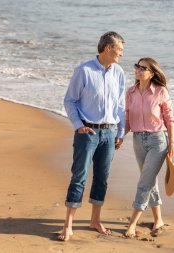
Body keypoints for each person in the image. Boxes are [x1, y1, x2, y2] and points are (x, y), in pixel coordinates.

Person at [58, 31, 125, 241]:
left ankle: (95, 220)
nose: (121, 54)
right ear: (108, 48)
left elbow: (120, 106)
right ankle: (68, 225)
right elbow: (70, 101)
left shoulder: (119, 72)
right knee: (79, 177)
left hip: (110, 132)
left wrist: (120, 132)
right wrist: (79, 126)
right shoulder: (84, 70)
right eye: (119, 50)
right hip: (88, 132)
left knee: (102, 179)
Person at [124, 57, 174, 237]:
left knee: (144, 182)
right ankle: (158, 219)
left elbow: (169, 119)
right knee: (149, 180)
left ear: (152, 73)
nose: (138, 69)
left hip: (158, 141)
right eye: (137, 66)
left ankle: (132, 223)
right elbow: (127, 118)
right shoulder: (130, 92)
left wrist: (172, 143)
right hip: (138, 140)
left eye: (143, 68)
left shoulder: (161, 91)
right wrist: (118, 137)